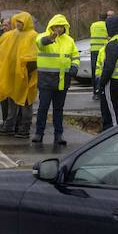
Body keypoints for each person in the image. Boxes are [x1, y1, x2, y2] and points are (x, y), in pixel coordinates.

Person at [0, 12, 38, 138]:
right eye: (17, 22)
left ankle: (24, 129)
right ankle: (9, 127)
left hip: (26, 75)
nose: (18, 25)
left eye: (21, 22)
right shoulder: (11, 35)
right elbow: (1, 49)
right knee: (12, 103)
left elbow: (34, 55)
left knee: (26, 103)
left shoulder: (33, 36)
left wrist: (27, 68)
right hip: (12, 75)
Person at [32, 14, 79, 147]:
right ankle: (39, 133)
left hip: (62, 80)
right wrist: (50, 38)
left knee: (58, 109)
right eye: (56, 26)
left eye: (61, 26)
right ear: (51, 26)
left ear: (65, 27)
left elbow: (75, 56)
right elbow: (40, 44)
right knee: (43, 107)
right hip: (46, 80)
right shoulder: (42, 36)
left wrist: (74, 67)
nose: (59, 29)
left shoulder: (69, 40)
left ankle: (59, 135)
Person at [87, 9, 114, 98]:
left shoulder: (93, 25)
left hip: (94, 50)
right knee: (104, 70)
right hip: (104, 50)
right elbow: (110, 36)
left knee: (95, 71)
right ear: (106, 18)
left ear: (98, 18)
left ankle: (95, 92)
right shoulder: (107, 25)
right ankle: (103, 90)